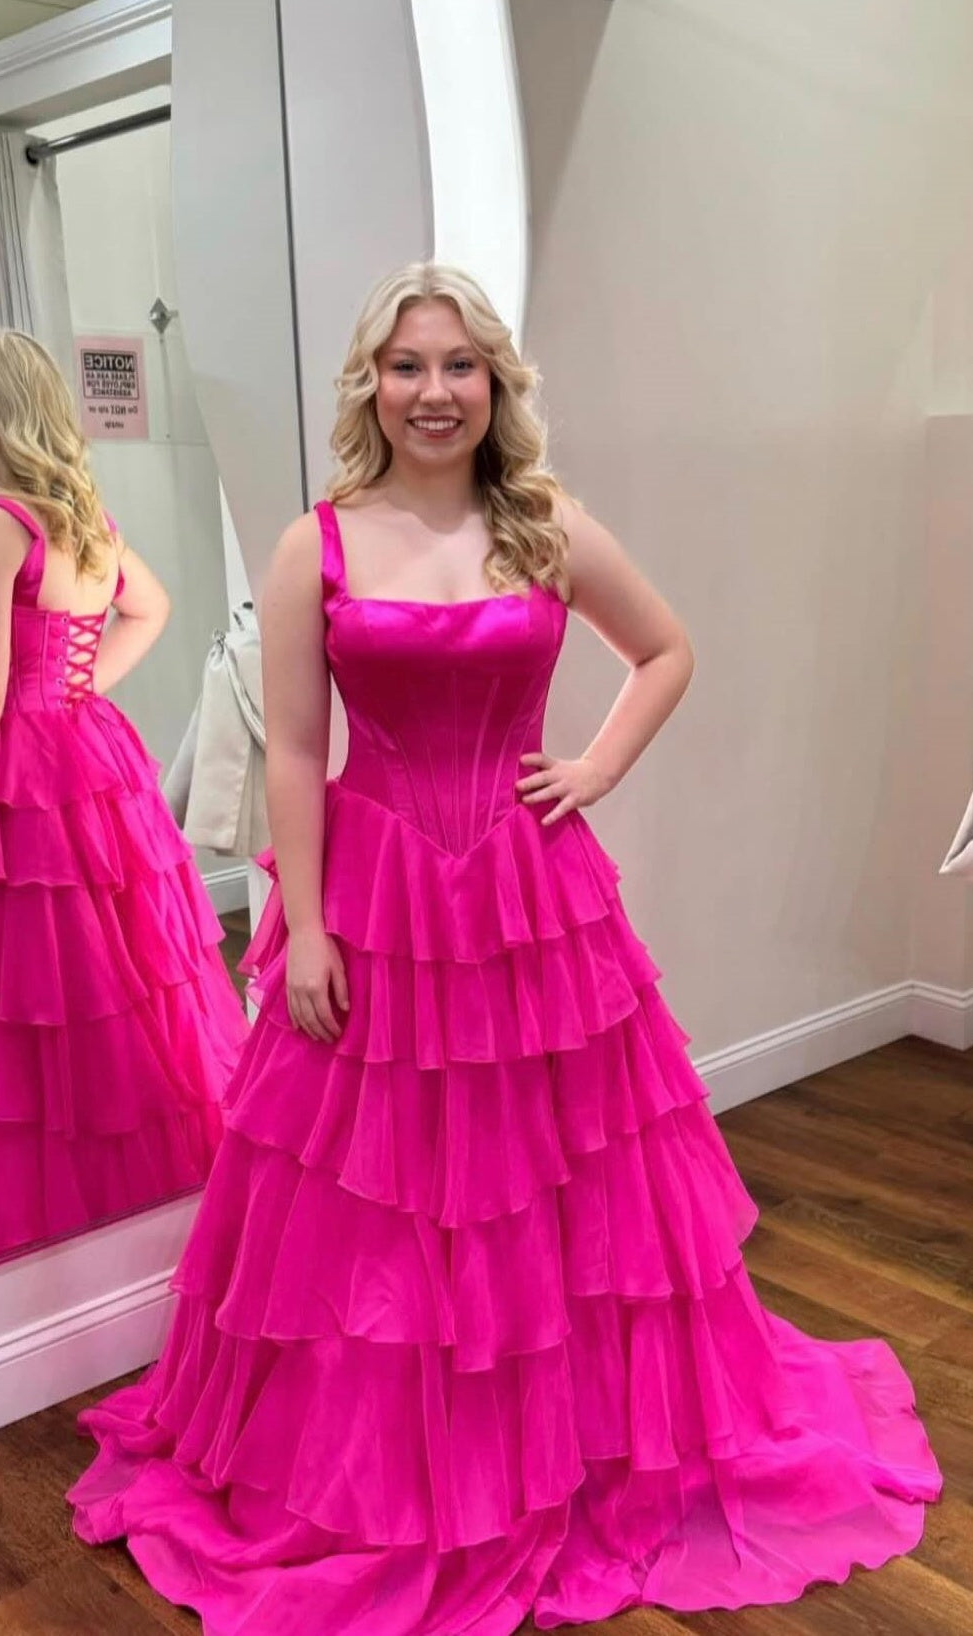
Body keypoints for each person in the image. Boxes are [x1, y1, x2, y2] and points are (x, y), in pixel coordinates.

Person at [68, 265, 940, 1632]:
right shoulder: (316, 546)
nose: (434, 392)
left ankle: (570, 1438)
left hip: (531, 901)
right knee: (382, 1192)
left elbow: (665, 650)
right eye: (407, 366)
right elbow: (293, 748)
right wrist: (304, 924)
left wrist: (591, 767)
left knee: (557, 1176)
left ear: (494, 384)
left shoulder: (543, 524)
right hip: (376, 899)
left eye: (459, 365)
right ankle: (398, 1460)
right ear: (371, 383)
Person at [0, 331, 247, 1297]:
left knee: (19, 992)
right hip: (91, 758)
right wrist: (77, 691)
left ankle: (36, 1216)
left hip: (16, 774)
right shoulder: (81, 518)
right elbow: (151, 609)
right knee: (108, 977)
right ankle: (127, 1200)